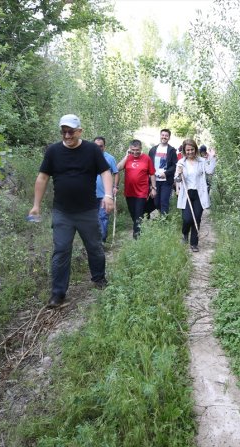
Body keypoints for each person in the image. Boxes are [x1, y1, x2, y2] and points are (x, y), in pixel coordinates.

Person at [28, 114, 114, 308]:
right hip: (62, 212)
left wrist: (108, 195)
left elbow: (105, 172)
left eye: (71, 132)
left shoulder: (92, 150)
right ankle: (58, 294)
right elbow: (42, 178)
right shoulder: (53, 151)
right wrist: (36, 205)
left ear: (80, 131)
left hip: (87, 210)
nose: (67, 135)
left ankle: (99, 279)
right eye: (64, 132)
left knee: (95, 247)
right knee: (60, 251)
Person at [175, 139, 217, 253]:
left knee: (197, 218)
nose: (190, 152)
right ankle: (184, 233)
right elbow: (177, 179)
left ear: (195, 149)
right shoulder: (181, 163)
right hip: (186, 194)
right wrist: (179, 173)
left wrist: (212, 158)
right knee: (187, 218)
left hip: (199, 193)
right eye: (187, 150)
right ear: (184, 150)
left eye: (192, 149)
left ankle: (194, 243)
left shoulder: (202, 161)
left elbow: (210, 171)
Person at [117, 139, 156, 239]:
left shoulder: (146, 158)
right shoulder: (127, 158)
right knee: (134, 215)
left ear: (141, 148)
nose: (135, 152)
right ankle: (139, 230)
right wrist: (126, 156)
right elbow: (118, 168)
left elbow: (152, 174)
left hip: (142, 192)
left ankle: (137, 239)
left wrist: (153, 188)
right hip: (129, 192)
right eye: (133, 150)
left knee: (138, 216)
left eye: (137, 150)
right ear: (129, 149)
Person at [94, 137, 119, 243]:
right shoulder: (88, 157)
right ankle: (94, 241)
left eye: (101, 146)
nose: (98, 148)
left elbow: (116, 173)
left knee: (103, 217)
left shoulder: (110, 158)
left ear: (104, 146)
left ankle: (101, 241)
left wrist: (115, 187)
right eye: (96, 146)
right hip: (90, 194)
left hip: (105, 195)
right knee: (93, 219)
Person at [147, 128, 177, 215]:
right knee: (156, 202)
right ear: (160, 136)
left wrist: (166, 173)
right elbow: (149, 164)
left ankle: (164, 221)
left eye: (166, 136)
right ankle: (161, 214)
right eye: (163, 135)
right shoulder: (153, 150)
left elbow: (174, 165)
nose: (164, 137)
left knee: (164, 200)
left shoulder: (171, 150)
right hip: (154, 180)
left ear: (169, 137)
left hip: (166, 181)